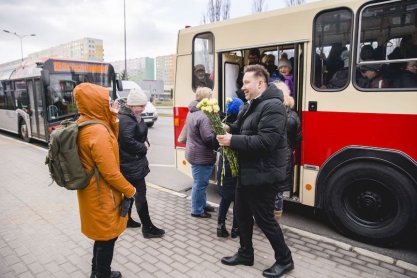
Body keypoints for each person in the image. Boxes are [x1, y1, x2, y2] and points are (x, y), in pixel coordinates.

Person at [217, 65, 294, 278]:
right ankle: (245, 253)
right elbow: (241, 128)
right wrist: (228, 129)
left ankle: (285, 260)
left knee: (265, 220)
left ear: (260, 83)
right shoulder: (251, 104)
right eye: (243, 83)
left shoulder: (273, 106)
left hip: (264, 175)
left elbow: (266, 142)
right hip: (248, 172)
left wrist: (232, 140)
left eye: (246, 83)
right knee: (241, 215)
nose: (243, 87)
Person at [73, 83, 136, 278]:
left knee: (102, 238)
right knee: (107, 238)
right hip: (102, 194)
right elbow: (110, 172)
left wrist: (113, 116)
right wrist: (130, 189)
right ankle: (102, 274)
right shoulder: (97, 132)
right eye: (104, 100)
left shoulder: (86, 123)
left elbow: (111, 140)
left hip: (93, 192)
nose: (108, 102)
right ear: (94, 103)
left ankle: (96, 272)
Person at [118, 88, 165, 238]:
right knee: (140, 195)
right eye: (140, 106)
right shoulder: (126, 119)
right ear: (131, 105)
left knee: (130, 193)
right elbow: (127, 141)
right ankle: (147, 228)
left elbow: (140, 134)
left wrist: (146, 142)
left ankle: (127, 220)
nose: (143, 109)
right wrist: (142, 147)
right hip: (130, 164)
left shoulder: (134, 116)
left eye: (144, 106)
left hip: (134, 162)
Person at [185, 86, 217, 218]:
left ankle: (202, 204)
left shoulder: (192, 111)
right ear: (206, 99)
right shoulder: (204, 116)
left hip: (194, 152)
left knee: (200, 182)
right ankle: (197, 210)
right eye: (210, 97)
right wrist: (219, 135)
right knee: (200, 183)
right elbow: (208, 138)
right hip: (201, 154)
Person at [272, 81, 301, 222]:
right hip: (287, 156)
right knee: (278, 192)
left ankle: (266, 219)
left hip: (273, 157)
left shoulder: (273, 115)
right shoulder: (294, 116)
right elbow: (298, 138)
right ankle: (276, 219)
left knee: (268, 190)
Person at [216, 97, 244, 238]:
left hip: (224, 165)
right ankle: (235, 229)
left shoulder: (222, 123)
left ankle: (220, 226)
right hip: (236, 166)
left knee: (225, 199)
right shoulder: (240, 126)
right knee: (238, 201)